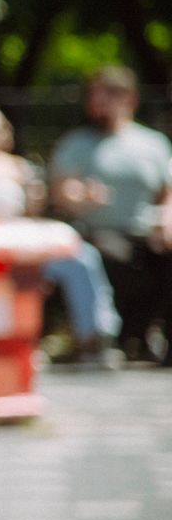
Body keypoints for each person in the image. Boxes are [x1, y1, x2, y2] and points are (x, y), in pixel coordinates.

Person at [0, 103, 119, 363]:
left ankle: (95, 336)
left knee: (82, 258)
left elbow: (34, 214)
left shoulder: (20, 168)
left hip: (21, 249)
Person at [49, 67, 172, 364]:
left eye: (105, 96)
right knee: (110, 254)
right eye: (93, 97)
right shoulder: (78, 143)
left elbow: (167, 192)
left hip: (147, 233)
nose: (97, 104)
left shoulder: (153, 144)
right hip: (99, 232)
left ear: (129, 98)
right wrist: (81, 197)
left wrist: (167, 222)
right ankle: (114, 335)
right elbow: (62, 190)